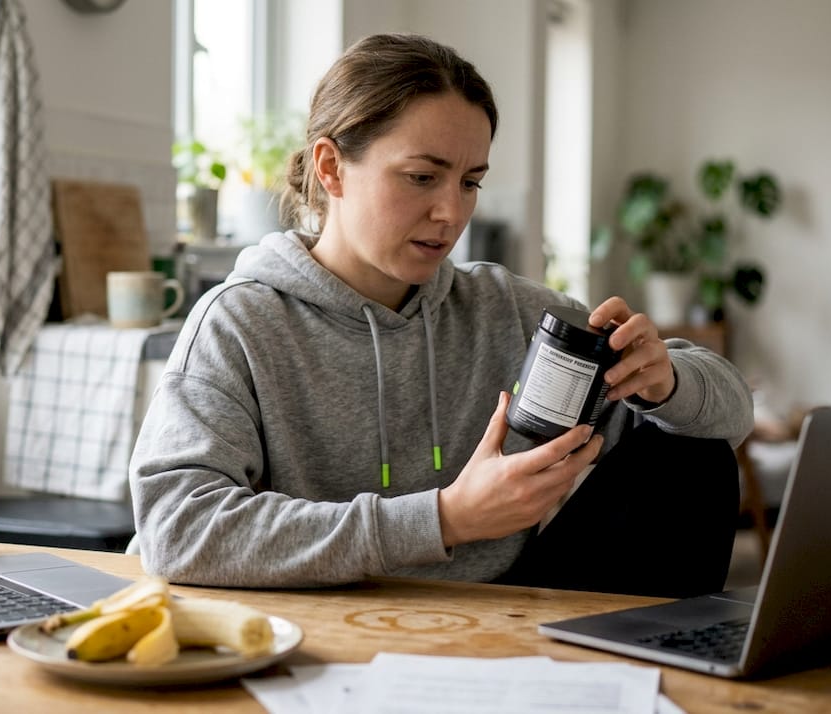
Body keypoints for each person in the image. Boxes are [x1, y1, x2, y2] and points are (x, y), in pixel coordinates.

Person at [129, 33, 753, 594]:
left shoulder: (505, 309)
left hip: (498, 620)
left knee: (693, 457)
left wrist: (666, 379)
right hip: (320, 624)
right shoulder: (240, 324)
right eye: (422, 177)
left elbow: (733, 411)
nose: (451, 214)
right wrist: (446, 518)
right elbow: (177, 528)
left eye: (470, 182)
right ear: (330, 166)